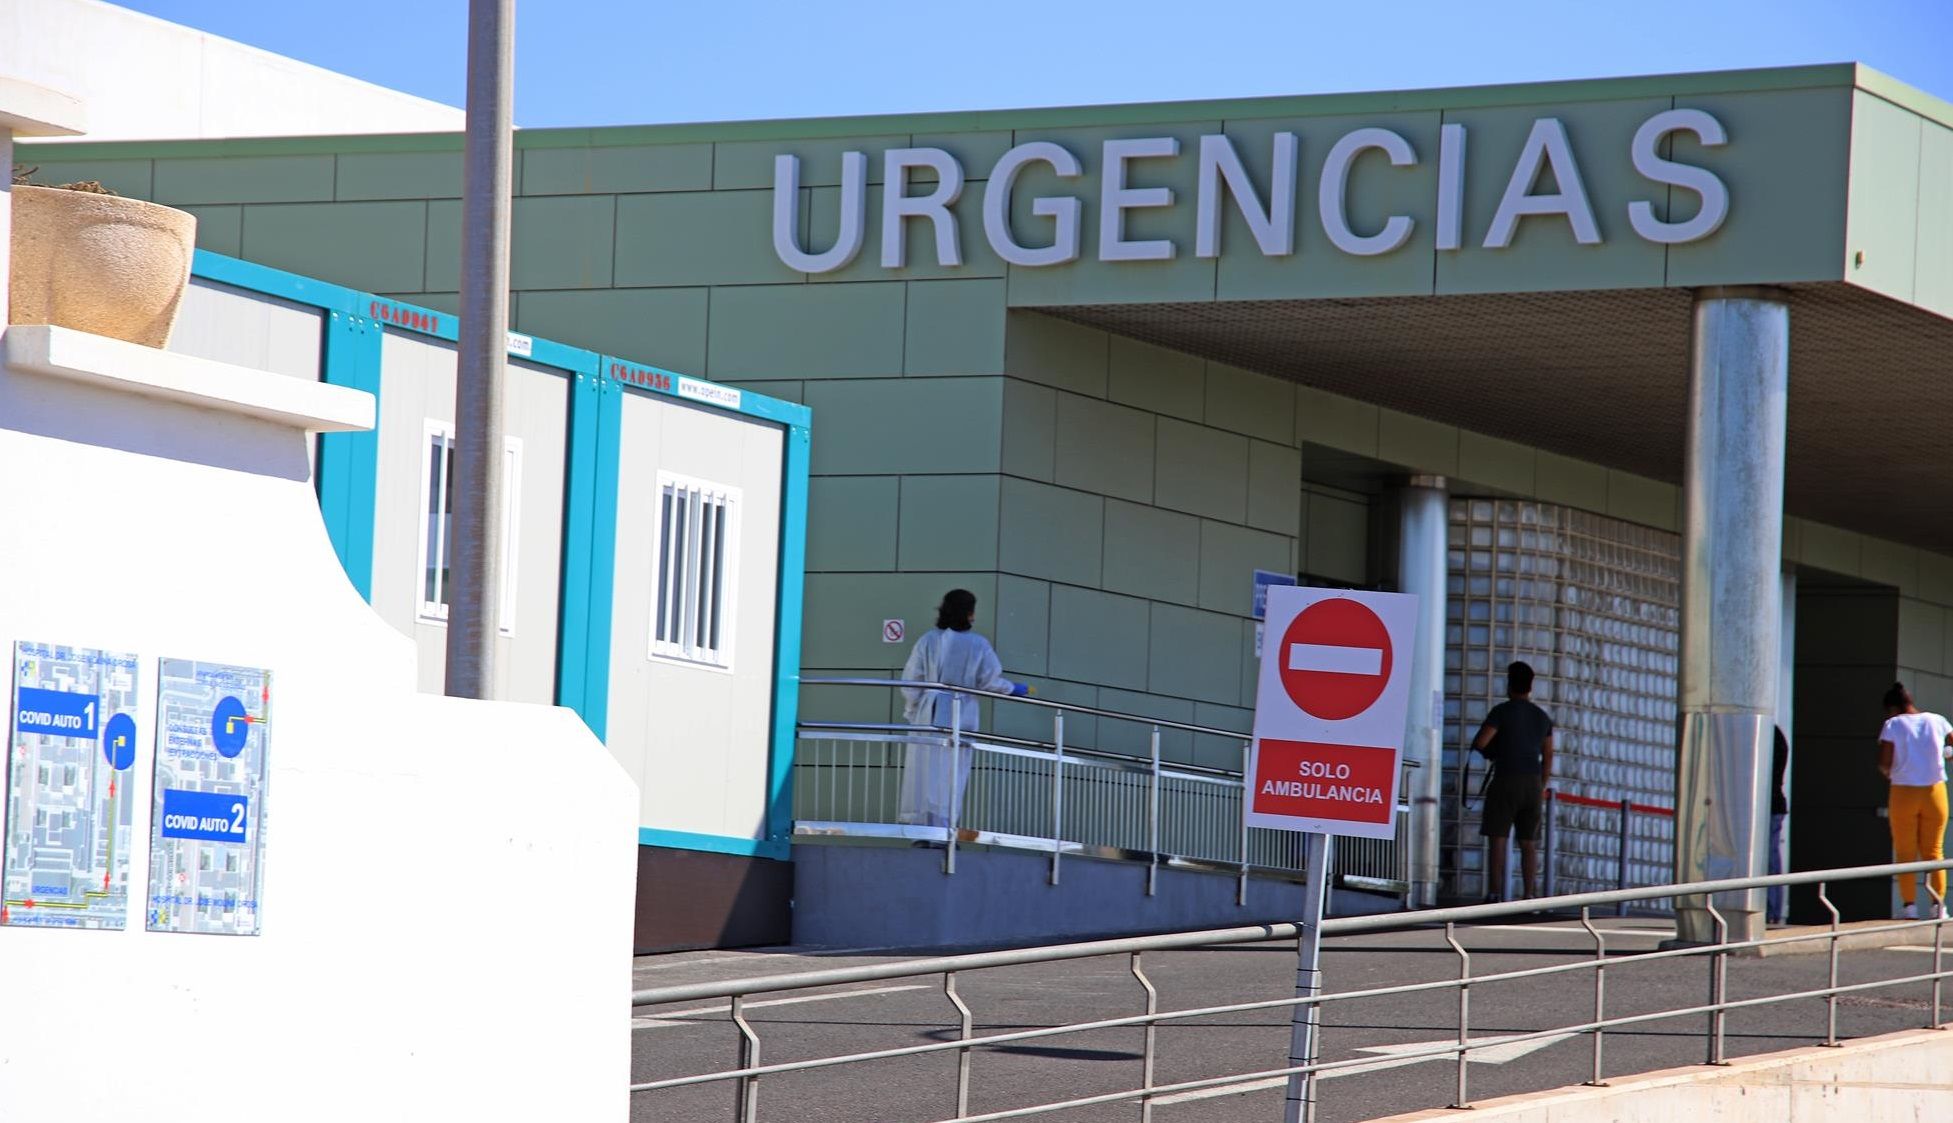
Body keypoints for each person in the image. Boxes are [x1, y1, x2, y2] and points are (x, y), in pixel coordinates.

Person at [898, 589, 1029, 830]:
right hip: (961, 715)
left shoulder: (928, 640)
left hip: (928, 713)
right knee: (951, 774)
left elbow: (910, 682)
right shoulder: (978, 644)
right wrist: (1012, 688)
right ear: (969, 614)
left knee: (923, 773)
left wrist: (913, 710)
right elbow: (989, 681)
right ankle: (944, 830)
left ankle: (920, 830)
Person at [1472, 661, 1554, 903]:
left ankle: (1495, 893)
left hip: (1506, 778)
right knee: (1529, 842)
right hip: (1532, 782)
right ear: (1530, 686)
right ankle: (1529, 894)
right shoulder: (1542, 717)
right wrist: (1542, 785)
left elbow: (1482, 742)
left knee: (1498, 837)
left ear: (1509, 684)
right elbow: (1548, 753)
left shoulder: (1502, 712)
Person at [1877, 682, 1953, 920]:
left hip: (1903, 791)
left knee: (1905, 851)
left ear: (1892, 708)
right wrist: (1945, 753)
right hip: (1935, 791)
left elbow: (1885, 762)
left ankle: (1909, 906)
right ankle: (1938, 906)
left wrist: (1890, 772)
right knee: (1934, 851)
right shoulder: (1938, 720)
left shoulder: (1893, 724)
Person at [1767, 725, 1791, 925]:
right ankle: (1772, 910)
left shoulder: (1768, 735)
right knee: (1771, 859)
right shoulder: (1774, 734)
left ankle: (1772, 910)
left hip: (1770, 805)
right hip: (1773, 804)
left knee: (1769, 860)